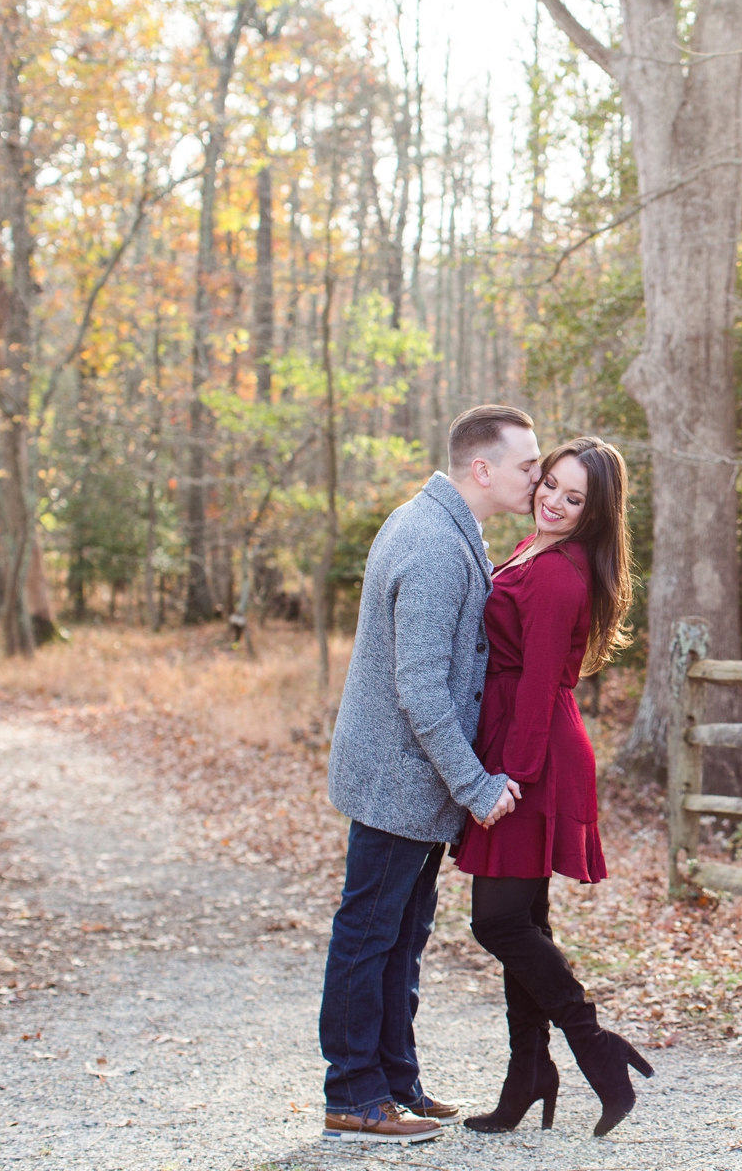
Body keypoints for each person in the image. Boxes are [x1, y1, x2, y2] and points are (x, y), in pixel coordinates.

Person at [319, 406, 542, 1145]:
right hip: (396, 779)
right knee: (370, 934)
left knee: (403, 934)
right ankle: (353, 1093)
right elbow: (421, 687)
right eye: (526, 465)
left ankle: (395, 1078)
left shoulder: (445, 525)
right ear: (482, 469)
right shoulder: (435, 544)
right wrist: (477, 786)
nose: (537, 477)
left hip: (412, 782)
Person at [454, 436, 654, 1138]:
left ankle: (594, 1047)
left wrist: (506, 776)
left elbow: (538, 684)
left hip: (531, 750)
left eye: (576, 499)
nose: (557, 503)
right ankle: (528, 1075)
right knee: (524, 923)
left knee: (498, 921)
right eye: (553, 486)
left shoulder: (559, 575)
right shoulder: (531, 549)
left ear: (595, 513)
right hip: (524, 737)